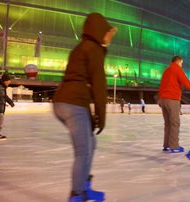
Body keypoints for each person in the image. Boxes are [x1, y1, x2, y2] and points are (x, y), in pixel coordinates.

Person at [52, 13, 117, 202]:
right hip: (73, 104)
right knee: (83, 151)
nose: (109, 37)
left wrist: (92, 116)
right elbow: (98, 85)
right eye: (107, 33)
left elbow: (80, 83)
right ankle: (76, 195)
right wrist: (101, 116)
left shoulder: (80, 48)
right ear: (99, 31)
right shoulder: (94, 49)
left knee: (91, 145)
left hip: (63, 103)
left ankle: (85, 187)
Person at [158, 55, 190, 153]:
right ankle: (173, 146)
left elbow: (162, 85)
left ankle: (166, 145)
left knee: (168, 124)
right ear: (179, 62)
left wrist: (160, 99)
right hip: (172, 99)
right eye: (182, 63)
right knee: (175, 123)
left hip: (163, 99)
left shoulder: (166, 70)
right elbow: (186, 82)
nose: (182, 65)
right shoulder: (176, 69)